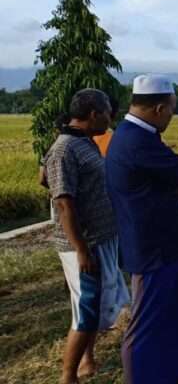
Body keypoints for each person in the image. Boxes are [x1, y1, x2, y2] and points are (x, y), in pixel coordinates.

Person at [105, 74, 178, 384]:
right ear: (159, 108)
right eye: (172, 110)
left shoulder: (133, 135)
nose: (171, 117)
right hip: (153, 249)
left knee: (164, 318)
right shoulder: (137, 141)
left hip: (160, 244)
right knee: (145, 325)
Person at [43, 89, 130, 384]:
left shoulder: (84, 143)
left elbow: (50, 179)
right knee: (86, 311)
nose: (110, 117)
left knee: (92, 308)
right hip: (84, 244)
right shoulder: (65, 148)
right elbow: (64, 203)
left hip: (99, 238)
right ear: (94, 114)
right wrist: (81, 250)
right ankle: (68, 376)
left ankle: (87, 361)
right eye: (107, 112)